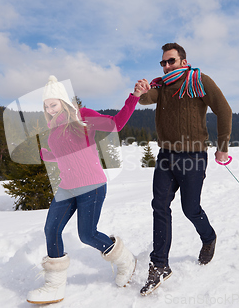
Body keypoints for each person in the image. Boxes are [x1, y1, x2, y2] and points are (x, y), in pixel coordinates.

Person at [27, 76, 149, 304]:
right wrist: (48, 155)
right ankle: (54, 285)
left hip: (91, 185)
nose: (49, 109)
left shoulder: (82, 116)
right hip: (66, 187)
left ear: (63, 101)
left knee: (87, 234)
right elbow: (67, 152)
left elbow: (116, 124)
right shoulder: (53, 126)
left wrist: (134, 97)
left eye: (53, 104)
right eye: (46, 106)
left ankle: (126, 261)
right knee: (51, 229)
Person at [136, 43, 232, 296]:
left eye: (171, 61)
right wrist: (141, 92)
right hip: (166, 155)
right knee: (160, 206)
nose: (167, 66)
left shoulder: (199, 80)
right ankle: (159, 266)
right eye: (163, 63)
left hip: (193, 156)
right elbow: (147, 98)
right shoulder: (162, 86)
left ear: (183, 62)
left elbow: (223, 110)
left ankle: (208, 237)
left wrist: (223, 146)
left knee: (190, 209)